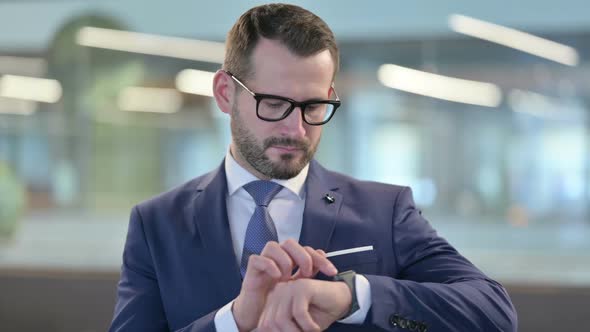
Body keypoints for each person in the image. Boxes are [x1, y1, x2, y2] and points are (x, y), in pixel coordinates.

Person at [109, 3, 517, 331]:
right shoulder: (157, 224)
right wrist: (234, 321)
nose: (296, 128)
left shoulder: (385, 211)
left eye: (314, 106)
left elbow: (493, 313)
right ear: (224, 93)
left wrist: (352, 297)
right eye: (273, 103)